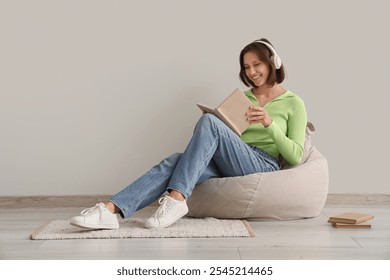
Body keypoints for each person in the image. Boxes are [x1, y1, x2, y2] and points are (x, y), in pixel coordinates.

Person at [70, 38, 307, 230]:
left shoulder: (293, 103)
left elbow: (295, 155)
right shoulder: (244, 98)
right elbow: (231, 136)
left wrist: (269, 124)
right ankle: (112, 210)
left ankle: (176, 199)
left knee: (209, 122)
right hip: (232, 159)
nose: (252, 72)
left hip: (263, 163)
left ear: (272, 62)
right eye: (247, 67)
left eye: (257, 64)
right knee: (175, 159)